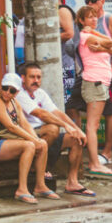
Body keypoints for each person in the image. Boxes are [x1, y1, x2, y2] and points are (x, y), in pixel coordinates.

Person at [0, 73, 57, 204]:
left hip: (4, 141)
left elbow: (24, 123)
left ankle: (40, 185)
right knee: (29, 145)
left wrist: (37, 139)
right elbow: (11, 126)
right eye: (5, 88)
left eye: (12, 90)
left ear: (17, 92)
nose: (7, 92)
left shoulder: (14, 101)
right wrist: (33, 140)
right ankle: (22, 189)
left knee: (42, 144)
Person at [15, 62, 92, 196]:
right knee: (52, 129)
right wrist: (65, 126)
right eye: (32, 77)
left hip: (42, 134)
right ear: (23, 78)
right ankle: (38, 167)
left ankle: (72, 182)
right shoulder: (19, 94)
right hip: (28, 134)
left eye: (38, 77)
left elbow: (57, 112)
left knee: (76, 139)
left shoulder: (40, 93)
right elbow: (41, 113)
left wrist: (76, 129)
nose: (36, 81)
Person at [66, 0, 112, 157]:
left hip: (103, 73)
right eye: (87, 0)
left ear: (102, 2)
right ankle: (79, 142)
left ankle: (107, 152)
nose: (90, 3)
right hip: (86, 73)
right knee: (70, 103)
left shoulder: (107, 18)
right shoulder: (83, 24)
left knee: (109, 112)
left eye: (94, 0)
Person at [76, 4, 112, 177]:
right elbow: (111, 42)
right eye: (89, 17)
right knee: (92, 126)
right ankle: (94, 163)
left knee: (94, 124)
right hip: (94, 81)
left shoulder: (91, 34)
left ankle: (95, 161)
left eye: (95, 17)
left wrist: (102, 47)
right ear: (81, 21)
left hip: (101, 82)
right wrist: (100, 39)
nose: (94, 20)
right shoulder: (85, 35)